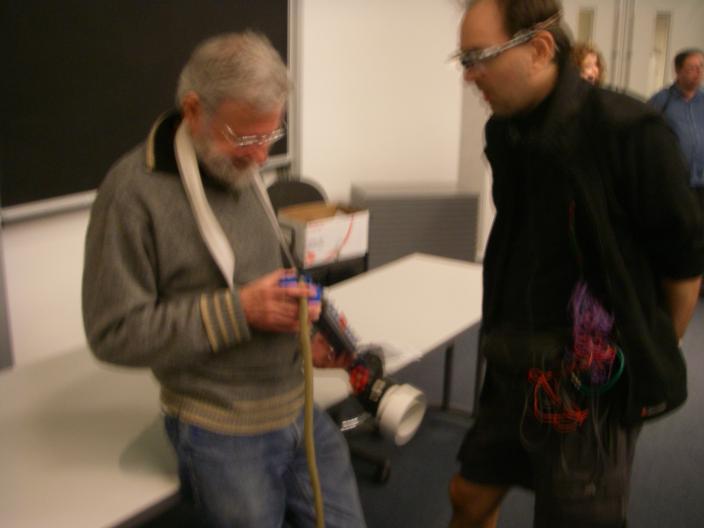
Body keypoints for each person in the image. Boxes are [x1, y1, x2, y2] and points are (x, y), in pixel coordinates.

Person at [82, 32, 366, 528]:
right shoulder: (130, 195)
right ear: (194, 111)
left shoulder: (240, 171)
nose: (261, 158)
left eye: (271, 136)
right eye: (247, 139)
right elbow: (113, 332)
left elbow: (262, 282)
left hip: (295, 404)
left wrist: (306, 339)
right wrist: (240, 311)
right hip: (222, 427)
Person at [449, 1, 704, 527]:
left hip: (591, 386)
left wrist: (650, 345)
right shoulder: (504, 131)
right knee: (468, 497)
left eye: (479, 58)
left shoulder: (631, 131)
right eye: (463, 60)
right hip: (513, 360)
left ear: (540, 48)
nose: (469, 75)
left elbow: (683, 268)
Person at [648, 49, 704, 233]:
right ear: (678, 71)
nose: (698, 72)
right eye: (692, 68)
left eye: (701, 67)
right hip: (674, 181)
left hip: (701, 181)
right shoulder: (661, 101)